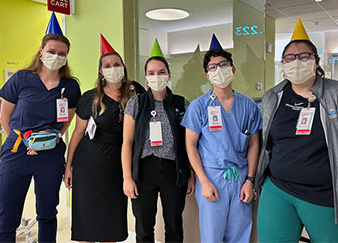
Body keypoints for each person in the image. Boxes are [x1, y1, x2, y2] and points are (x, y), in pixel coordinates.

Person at [255, 19, 338, 242]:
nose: (296, 62)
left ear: (316, 61)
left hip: (327, 196)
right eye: (290, 58)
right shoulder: (273, 97)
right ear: (283, 63)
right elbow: (266, 143)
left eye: (304, 56)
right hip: (278, 189)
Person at [0, 12, 81, 243]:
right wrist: (25, 142)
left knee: (47, 214)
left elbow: (66, 122)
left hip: (50, 155)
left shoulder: (70, 87)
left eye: (62, 53)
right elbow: (5, 117)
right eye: (52, 51)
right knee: (7, 216)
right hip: (16, 153)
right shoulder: (21, 79)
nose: (56, 56)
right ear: (41, 52)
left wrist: (45, 141)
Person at [63, 34, 144, 243]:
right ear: (101, 71)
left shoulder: (136, 92)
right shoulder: (90, 97)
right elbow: (78, 133)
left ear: (124, 67)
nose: (112, 68)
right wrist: (68, 166)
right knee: (87, 220)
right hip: (87, 166)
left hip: (119, 166)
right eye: (107, 65)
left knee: (112, 221)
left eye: (116, 64)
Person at [181, 34, 262, 243]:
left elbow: (254, 144)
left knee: (239, 233)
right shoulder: (199, 107)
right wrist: (203, 181)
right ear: (207, 76)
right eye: (212, 67)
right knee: (212, 234)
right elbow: (190, 145)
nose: (218, 70)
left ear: (232, 69)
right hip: (211, 177)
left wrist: (250, 180)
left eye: (223, 65)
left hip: (241, 178)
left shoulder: (249, 106)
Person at [121, 40, 195, 243]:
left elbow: (189, 143)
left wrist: (190, 173)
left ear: (169, 74)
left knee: (174, 224)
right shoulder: (136, 102)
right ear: (145, 77)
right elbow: (127, 142)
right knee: (144, 226)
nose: (157, 76)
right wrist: (128, 177)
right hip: (144, 170)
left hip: (174, 169)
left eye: (161, 71)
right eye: (151, 72)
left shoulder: (181, 103)